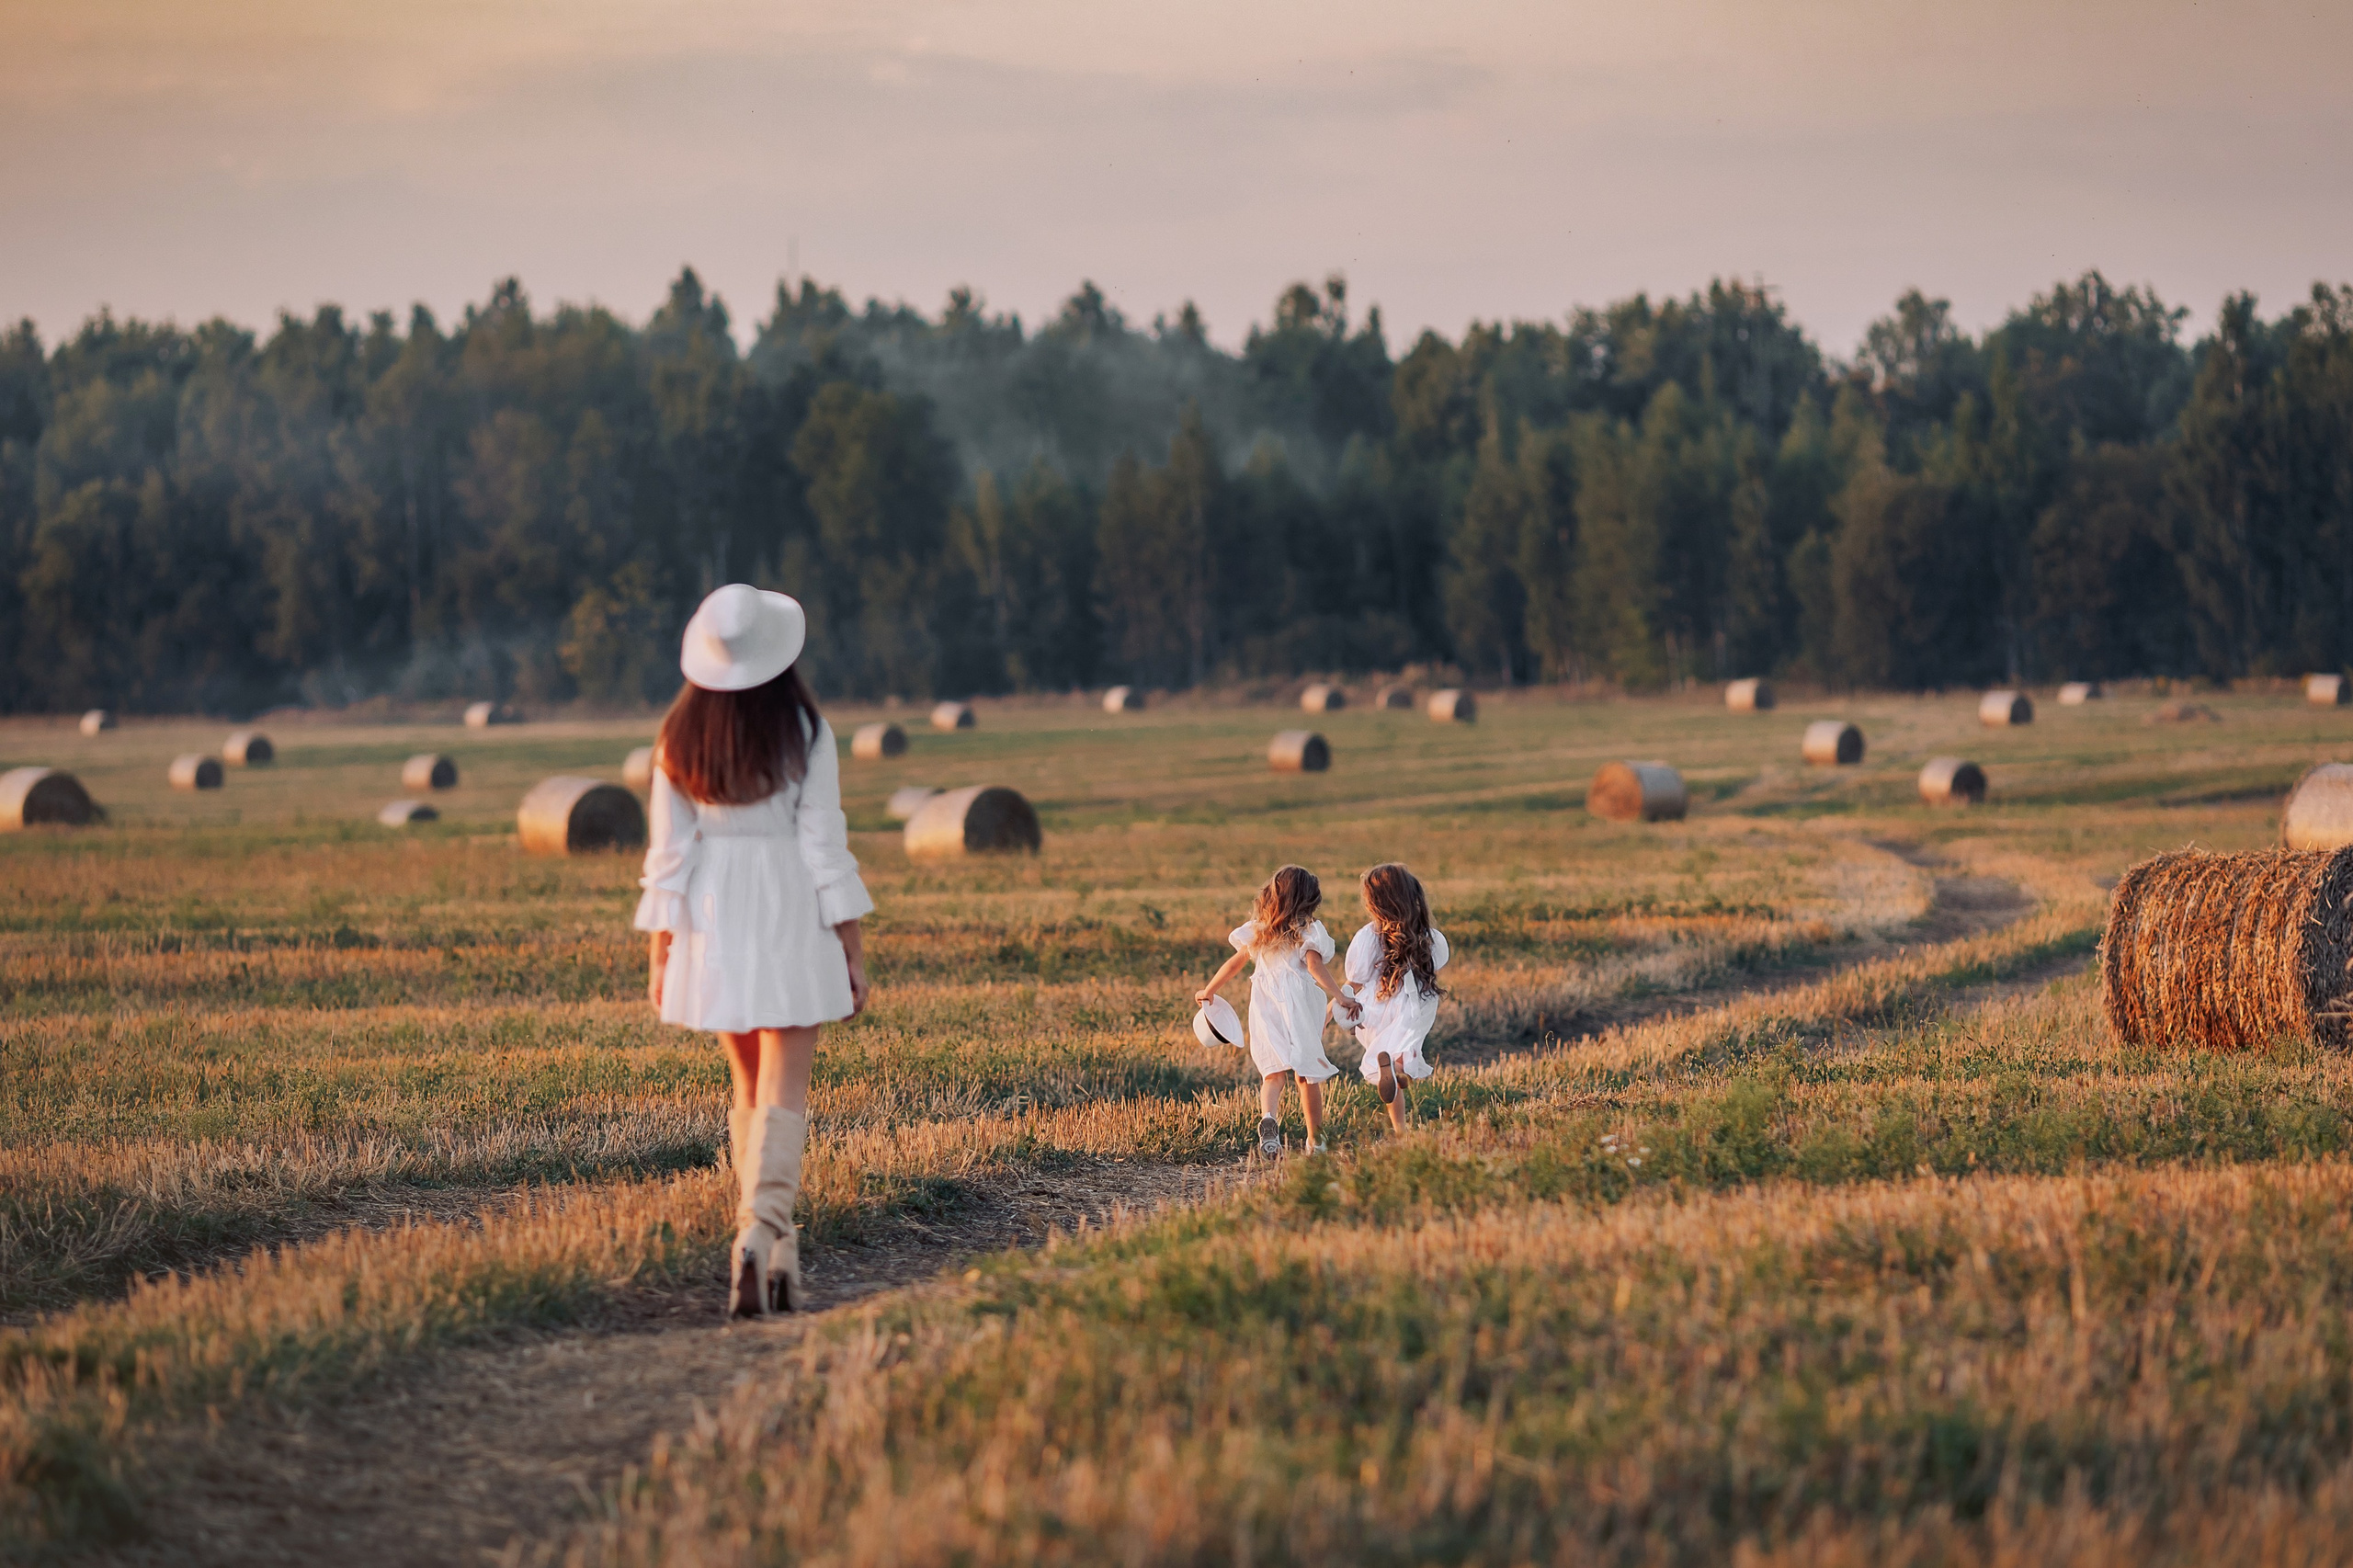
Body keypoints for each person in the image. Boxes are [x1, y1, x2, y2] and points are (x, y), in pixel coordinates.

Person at [636, 584, 872, 1321]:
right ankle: (758, 1231)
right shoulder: (804, 730)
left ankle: (777, 1255)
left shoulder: (678, 736)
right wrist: (851, 947)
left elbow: (667, 857)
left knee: (748, 1090)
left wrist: (661, 951)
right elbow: (824, 845)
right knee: (785, 1090)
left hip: (712, 917)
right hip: (790, 906)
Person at [1196, 865, 1359, 1157]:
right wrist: (1339, 997)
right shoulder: (1309, 929)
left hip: (1265, 1004)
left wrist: (1209, 990)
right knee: (1307, 1074)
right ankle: (1316, 1140)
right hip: (1300, 1006)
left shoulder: (1261, 929)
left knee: (1272, 1073)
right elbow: (1314, 966)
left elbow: (1235, 963)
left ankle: (1269, 1117)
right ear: (1310, 899)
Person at [1340, 862, 1449, 1134]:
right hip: (1415, 1006)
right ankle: (1398, 1072)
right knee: (1406, 1052)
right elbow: (1438, 961)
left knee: (1388, 1056)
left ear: (1374, 902)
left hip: (1378, 1005)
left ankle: (1399, 1127)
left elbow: (1354, 980)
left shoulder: (1368, 936)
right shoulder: (1429, 937)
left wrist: (1333, 1010)